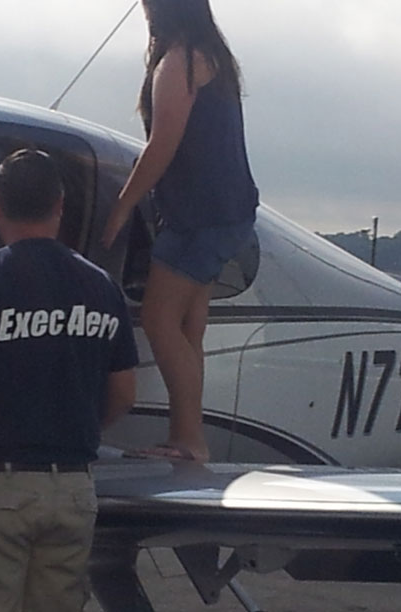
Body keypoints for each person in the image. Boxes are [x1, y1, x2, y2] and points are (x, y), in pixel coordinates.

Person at [0, 149, 138, 612]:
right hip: (74, 490)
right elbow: (122, 395)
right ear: (60, 205)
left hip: (0, 486)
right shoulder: (101, 287)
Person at [101, 0, 259, 463]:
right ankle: (189, 435)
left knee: (159, 319)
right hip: (226, 210)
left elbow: (160, 148)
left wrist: (121, 207)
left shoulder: (179, 64)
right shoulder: (211, 59)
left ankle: (189, 439)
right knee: (190, 327)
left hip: (197, 215)